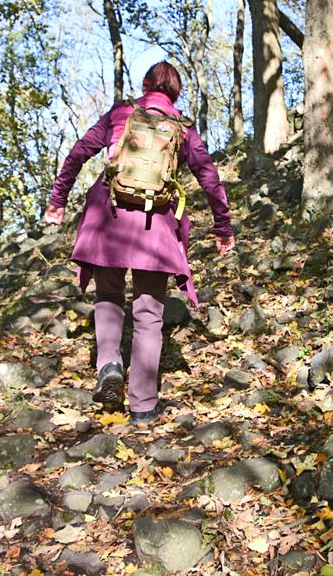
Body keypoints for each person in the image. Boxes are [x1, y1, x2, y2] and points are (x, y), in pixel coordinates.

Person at [43, 61, 235, 424]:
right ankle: (143, 406)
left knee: (109, 297)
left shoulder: (121, 113)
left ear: (145, 84)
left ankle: (110, 364)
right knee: (149, 316)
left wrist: (58, 200)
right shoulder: (181, 129)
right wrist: (222, 228)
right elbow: (210, 178)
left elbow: (79, 153)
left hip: (108, 221)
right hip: (154, 226)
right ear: (176, 93)